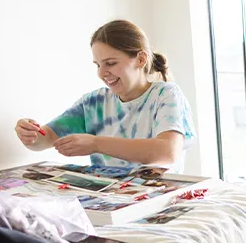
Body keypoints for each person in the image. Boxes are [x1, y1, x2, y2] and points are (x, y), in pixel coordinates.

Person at [14, 20, 197, 173]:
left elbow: (167, 152)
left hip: (158, 197)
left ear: (141, 59)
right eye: (97, 65)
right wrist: (30, 134)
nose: (102, 73)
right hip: (110, 199)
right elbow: (43, 141)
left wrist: (96, 143)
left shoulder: (166, 95)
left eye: (110, 63)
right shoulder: (93, 103)